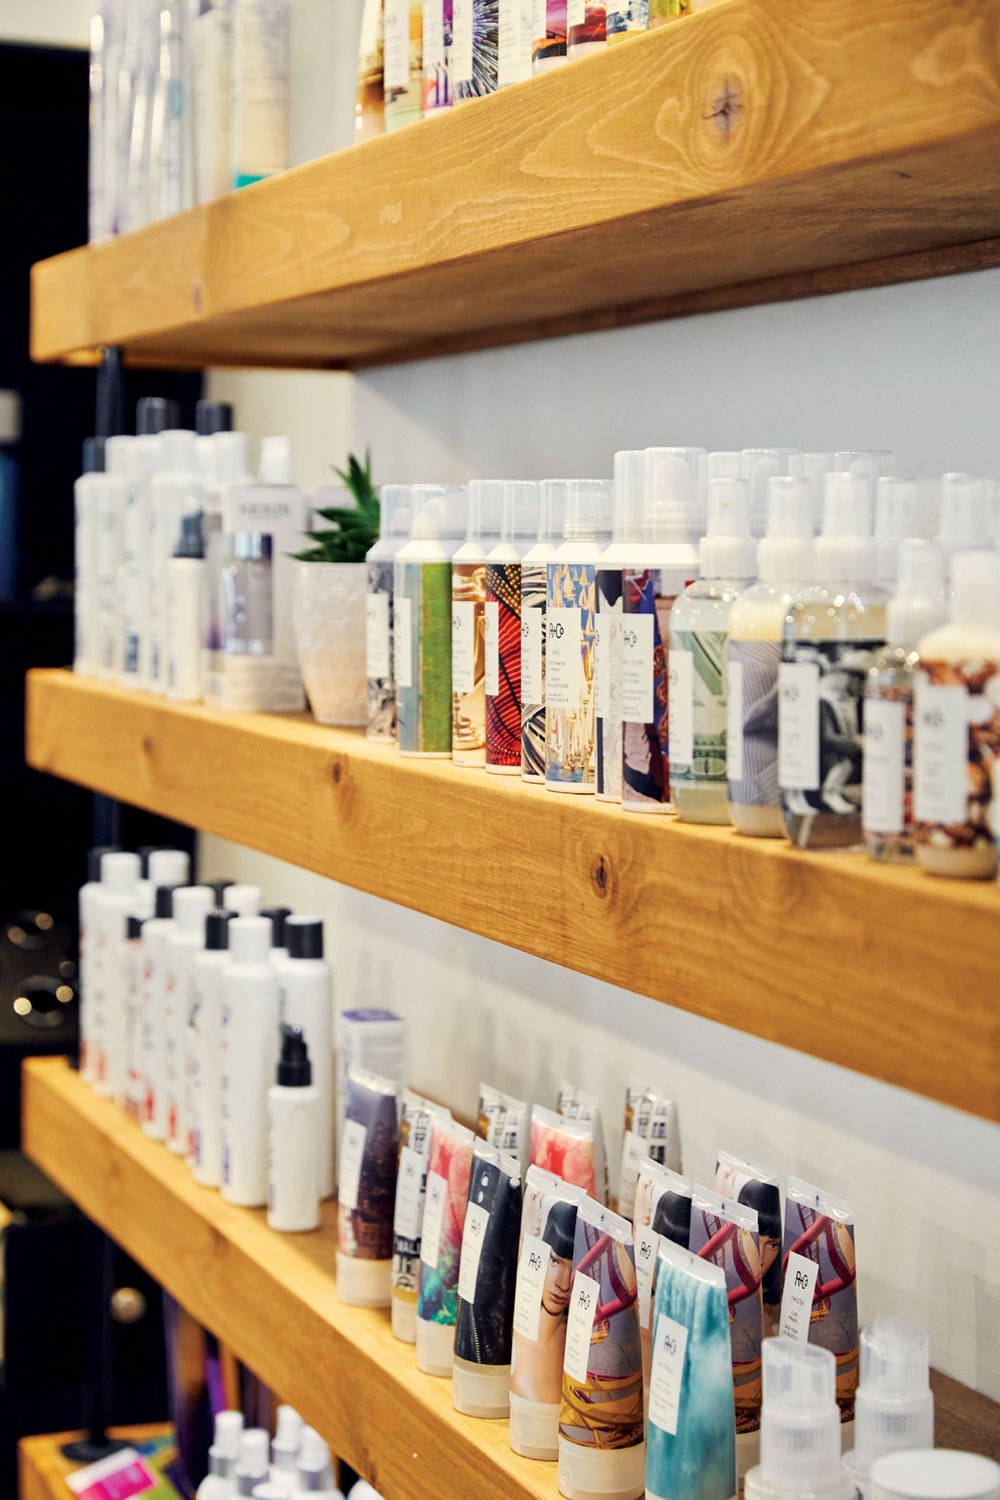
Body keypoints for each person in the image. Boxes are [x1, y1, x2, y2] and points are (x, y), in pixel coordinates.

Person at [510, 1198, 575, 1405]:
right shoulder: (523, 1328)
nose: (563, 1284)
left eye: (573, 1269)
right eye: (555, 1261)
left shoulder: (570, 1343)